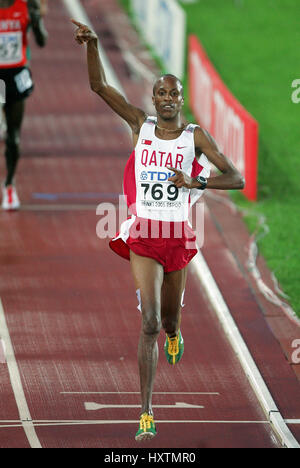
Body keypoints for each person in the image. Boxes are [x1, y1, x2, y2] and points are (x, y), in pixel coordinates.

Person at [71, 19, 245, 442]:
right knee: (147, 322)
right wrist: (92, 44)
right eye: (161, 93)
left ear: (182, 99)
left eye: (174, 93)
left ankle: (176, 332)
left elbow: (236, 178)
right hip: (145, 237)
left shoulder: (194, 137)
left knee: (167, 322)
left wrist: (196, 182)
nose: (168, 99)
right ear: (153, 98)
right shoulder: (141, 125)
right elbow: (99, 88)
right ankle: (146, 412)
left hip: (178, 238)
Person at [0, 0, 47, 210]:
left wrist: (36, 22)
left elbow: (42, 41)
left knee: (14, 137)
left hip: (16, 74)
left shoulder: (26, 6)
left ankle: (9, 185)